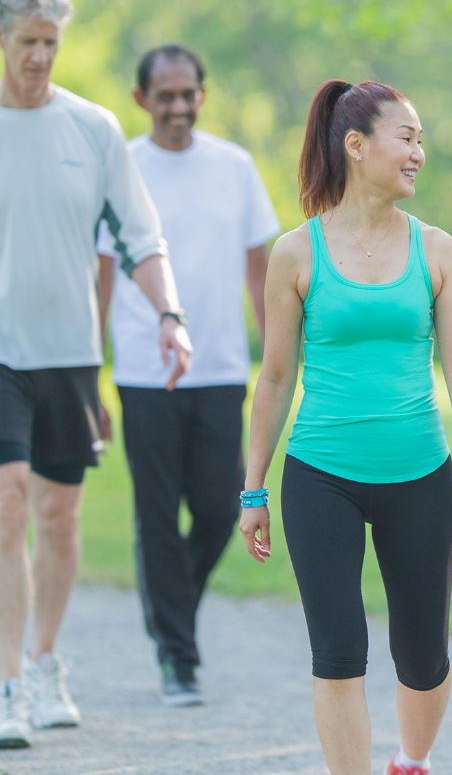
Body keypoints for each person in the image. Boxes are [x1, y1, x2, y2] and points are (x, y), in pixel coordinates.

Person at [238, 79, 452, 775]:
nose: (419, 152)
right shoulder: (296, 252)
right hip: (321, 474)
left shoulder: (437, 249)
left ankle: (410, 760)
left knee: (423, 655)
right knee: (339, 648)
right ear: (356, 145)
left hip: (419, 471)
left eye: (420, 139)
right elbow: (275, 380)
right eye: (406, 137)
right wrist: (253, 490)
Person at [0, 0, 191, 749]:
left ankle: (45, 661)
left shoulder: (94, 126)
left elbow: (142, 239)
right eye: (27, 42)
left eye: (51, 42)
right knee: (8, 501)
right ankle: (8, 682)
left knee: (60, 516)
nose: (40, 57)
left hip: (70, 351)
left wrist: (169, 317)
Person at [96, 44, 280, 706]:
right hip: (145, 373)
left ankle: (169, 608)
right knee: (155, 516)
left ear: (203, 94)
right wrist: (94, 370)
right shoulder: (121, 169)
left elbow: (262, 268)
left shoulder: (234, 166)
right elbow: (104, 274)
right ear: (142, 99)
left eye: (188, 93)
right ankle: (178, 655)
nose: (178, 106)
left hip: (222, 366)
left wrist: (276, 352)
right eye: (165, 95)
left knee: (216, 506)